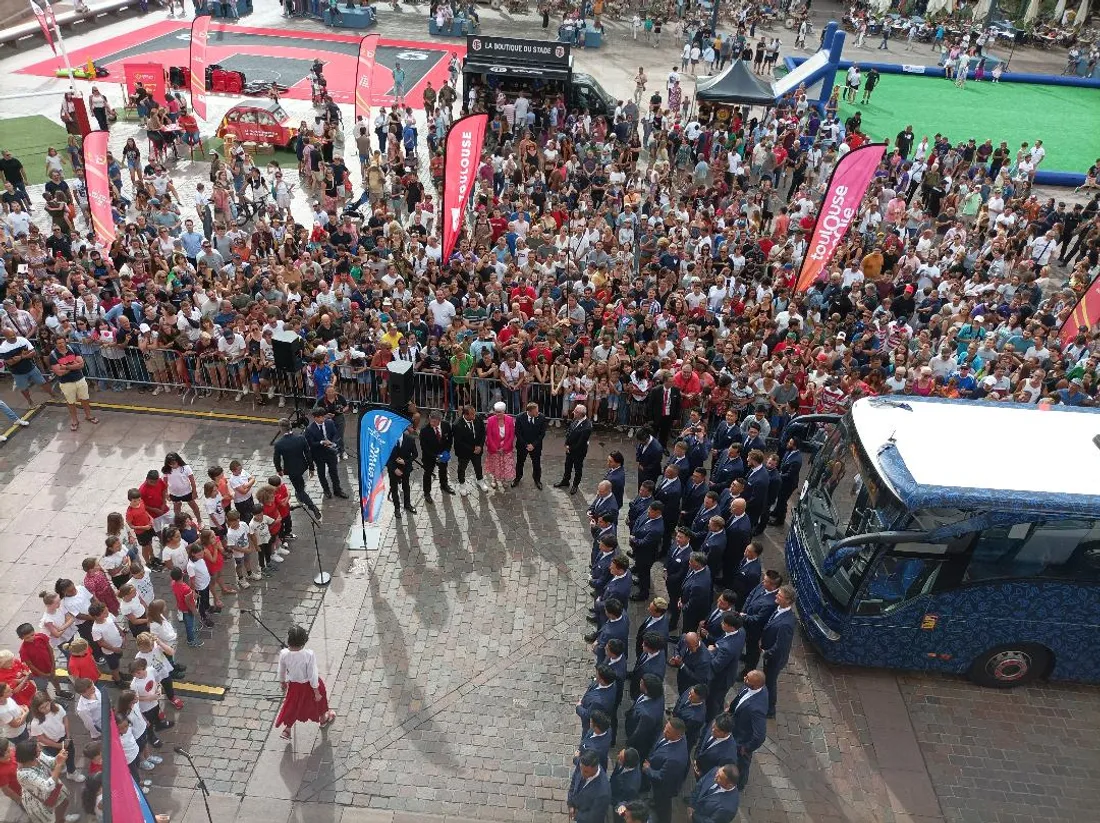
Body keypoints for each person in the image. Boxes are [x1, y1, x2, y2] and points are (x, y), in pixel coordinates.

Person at [274, 625, 335, 739]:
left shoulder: (283, 653)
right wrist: (316, 692)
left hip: (294, 686)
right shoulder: (309, 654)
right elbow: (312, 674)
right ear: (303, 641)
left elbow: (281, 670)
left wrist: (283, 682)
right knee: (319, 702)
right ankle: (323, 719)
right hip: (310, 685)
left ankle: (287, 729)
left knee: (293, 706)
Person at [14, 738, 79, 823]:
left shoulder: (38, 755)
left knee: (64, 802)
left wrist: (58, 758)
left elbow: (51, 762)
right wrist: (59, 765)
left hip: (51, 783)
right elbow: (47, 787)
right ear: (30, 756)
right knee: (50, 819)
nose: (41, 750)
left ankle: (62, 820)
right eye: (38, 750)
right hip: (39, 799)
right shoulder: (24, 774)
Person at [273, 419, 321, 520]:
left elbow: (276, 459)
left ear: (281, 429)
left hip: (291, 470)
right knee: (301, 486)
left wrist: (279, 470)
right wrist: (311, 468)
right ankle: (301, 497)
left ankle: (312, 507)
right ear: (290, 426)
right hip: (303, 467)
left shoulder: (279, 444)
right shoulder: (301, 438)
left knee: (300, 490)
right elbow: (308, 454)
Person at [760, 584, 796, 718]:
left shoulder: (786, 623)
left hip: (774, 659)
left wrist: (766, 653)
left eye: (779, 595)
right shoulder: (779, 608)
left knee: (770, 682)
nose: (776, 596)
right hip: (769, 653)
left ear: (788, 601)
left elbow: (780, 646)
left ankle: (770, 710)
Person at [728, 669, 768, 789]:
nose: (744, 678)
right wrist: (731, 710)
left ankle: (740, 784)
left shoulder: (756, 709)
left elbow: (760, 735)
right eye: (746, 676)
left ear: (755, 685)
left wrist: (746, 748)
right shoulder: (751, 687)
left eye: (747, 679)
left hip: (742, 738)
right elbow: (741, 696)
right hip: (736, 724)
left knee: (742, 763)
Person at [47, 336, 97, 432]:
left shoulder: (73, 349)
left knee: (85, 399)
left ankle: (88, 415)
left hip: (80, 379)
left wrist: (65, 367)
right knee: (71, 402)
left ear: (65, 342)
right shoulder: (53, 356)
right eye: (59, 343)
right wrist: (74, 366)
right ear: (55, 344)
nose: (61, 345)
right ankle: (74, 420)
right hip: (66, 383)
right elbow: (59, 372)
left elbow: (81, 365)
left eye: (62, 342)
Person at [305, 407, 347, 500]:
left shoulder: (329, 423)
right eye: (320, 417)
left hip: (330, 453)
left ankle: (337, 490)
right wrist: (322, 442)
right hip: (318, 454)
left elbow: (335, 434)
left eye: (323, 417)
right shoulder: (309, 429)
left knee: (334, 472)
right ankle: (326, 490)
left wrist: (333, 443)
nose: (322, 419)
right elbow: (310, 443)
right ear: (315, 417)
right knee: (321, 473)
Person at [555, 404, 593, 495]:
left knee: (578, 468)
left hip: (579, 452)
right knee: (567, 466)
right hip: (570, 448)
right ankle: (565, 481)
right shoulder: (576, 419)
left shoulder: (587, 426)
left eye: (575, 411)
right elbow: (570, 431)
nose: (573, 412)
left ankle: (575, 485)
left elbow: (581, 443)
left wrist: (570, 448)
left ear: (580, 414)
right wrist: (566, 444)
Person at [419, 409, 456, 501]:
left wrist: (446, 451)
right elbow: (424, 447)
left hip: (443, 454)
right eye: (430, 420)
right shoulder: (424, 430)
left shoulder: (446, 425)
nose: (431, 423)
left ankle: (444, 485)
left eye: (434, 421)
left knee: (443, 470)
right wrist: (435, 456)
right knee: (427, 474)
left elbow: (449, 440)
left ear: (440, 420)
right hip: (429, 456)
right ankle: (427, 492)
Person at [567, 749, 611, 823]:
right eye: (581, 769)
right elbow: (574, 783)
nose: (582, 773)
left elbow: (594, 817)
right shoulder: (582, 765)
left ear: (595, 768)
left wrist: (576, 815)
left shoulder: (603, 793)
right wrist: (571, 803)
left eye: (586, 772)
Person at [452, 404, 488, 494]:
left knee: (478, 466)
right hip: (464, 452)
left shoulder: (478, 418)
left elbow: (483, 433)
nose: (474, 416)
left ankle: (480, 480)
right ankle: (462, 484)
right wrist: (473, 448)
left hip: (477, 449)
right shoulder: (457, 424)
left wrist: (480, 446)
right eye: (472, 414)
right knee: (462, 468)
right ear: (466, 415)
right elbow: (459, 442)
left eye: (474, 414)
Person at [385, 425, 418, 521]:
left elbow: (415, 454)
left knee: (406, 486)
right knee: (394, 488)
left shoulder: (410, 439)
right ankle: (397, 508)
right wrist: (394, 469)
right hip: (393, 469)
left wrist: (406, 462)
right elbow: (385, 457)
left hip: (405, 468)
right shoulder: (388, 441)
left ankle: (407, 504)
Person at [513, 401, 548, 489]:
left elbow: (542, 434)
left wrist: (533, 445)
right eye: (536, 411)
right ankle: (517, 477)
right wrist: (526, 445)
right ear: (529, 411)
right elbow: (518, 433)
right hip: (522, 445)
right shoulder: (520, 417)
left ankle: (537, 480)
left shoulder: (541, 417)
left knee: (536, 463)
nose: (538, 413)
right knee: (520, 463)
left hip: (536, 446)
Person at [484, 401, 516, 490]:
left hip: (506, 447)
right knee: (495, 464)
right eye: (496, 412)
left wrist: (505, 447)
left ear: (504, 411)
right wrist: (495, 448)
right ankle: (494, 479)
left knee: (505, 464)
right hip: (494, 447)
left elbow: (512, 435)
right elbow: (489, 436)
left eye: (500, 412)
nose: (497, 414)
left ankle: (504, 479)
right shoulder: (490, 420)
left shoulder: (510, 420)